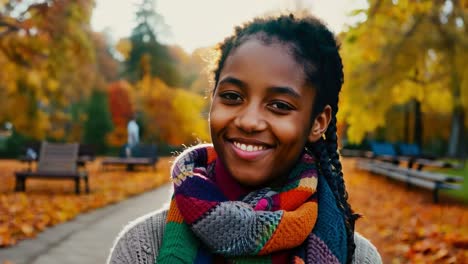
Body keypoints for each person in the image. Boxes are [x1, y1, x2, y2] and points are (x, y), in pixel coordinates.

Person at [108, 14, 382, 264]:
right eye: (232, 97)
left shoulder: (357, 257)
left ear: (317, 122)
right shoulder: (140, 248)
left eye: (279, 105)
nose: (248, 121)